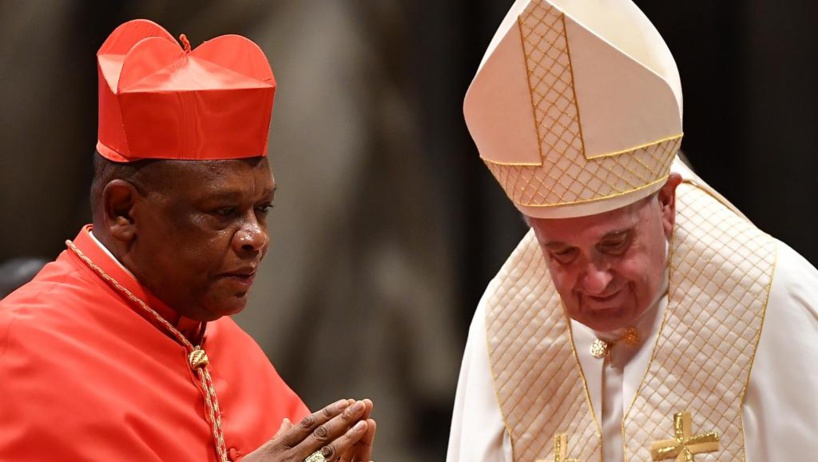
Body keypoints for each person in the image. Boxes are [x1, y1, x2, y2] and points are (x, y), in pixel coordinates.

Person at [446, 0, 818, 461]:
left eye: (614, 243)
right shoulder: (503, 322)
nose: (595, 280)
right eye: (562, 254)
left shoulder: (772, 301)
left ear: (666, 203)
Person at [0, 19, 376, 462]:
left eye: (263, 208)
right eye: (223, 212)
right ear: (123, 211)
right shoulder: (23, 349)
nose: (256, 237)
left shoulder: (222, 340)